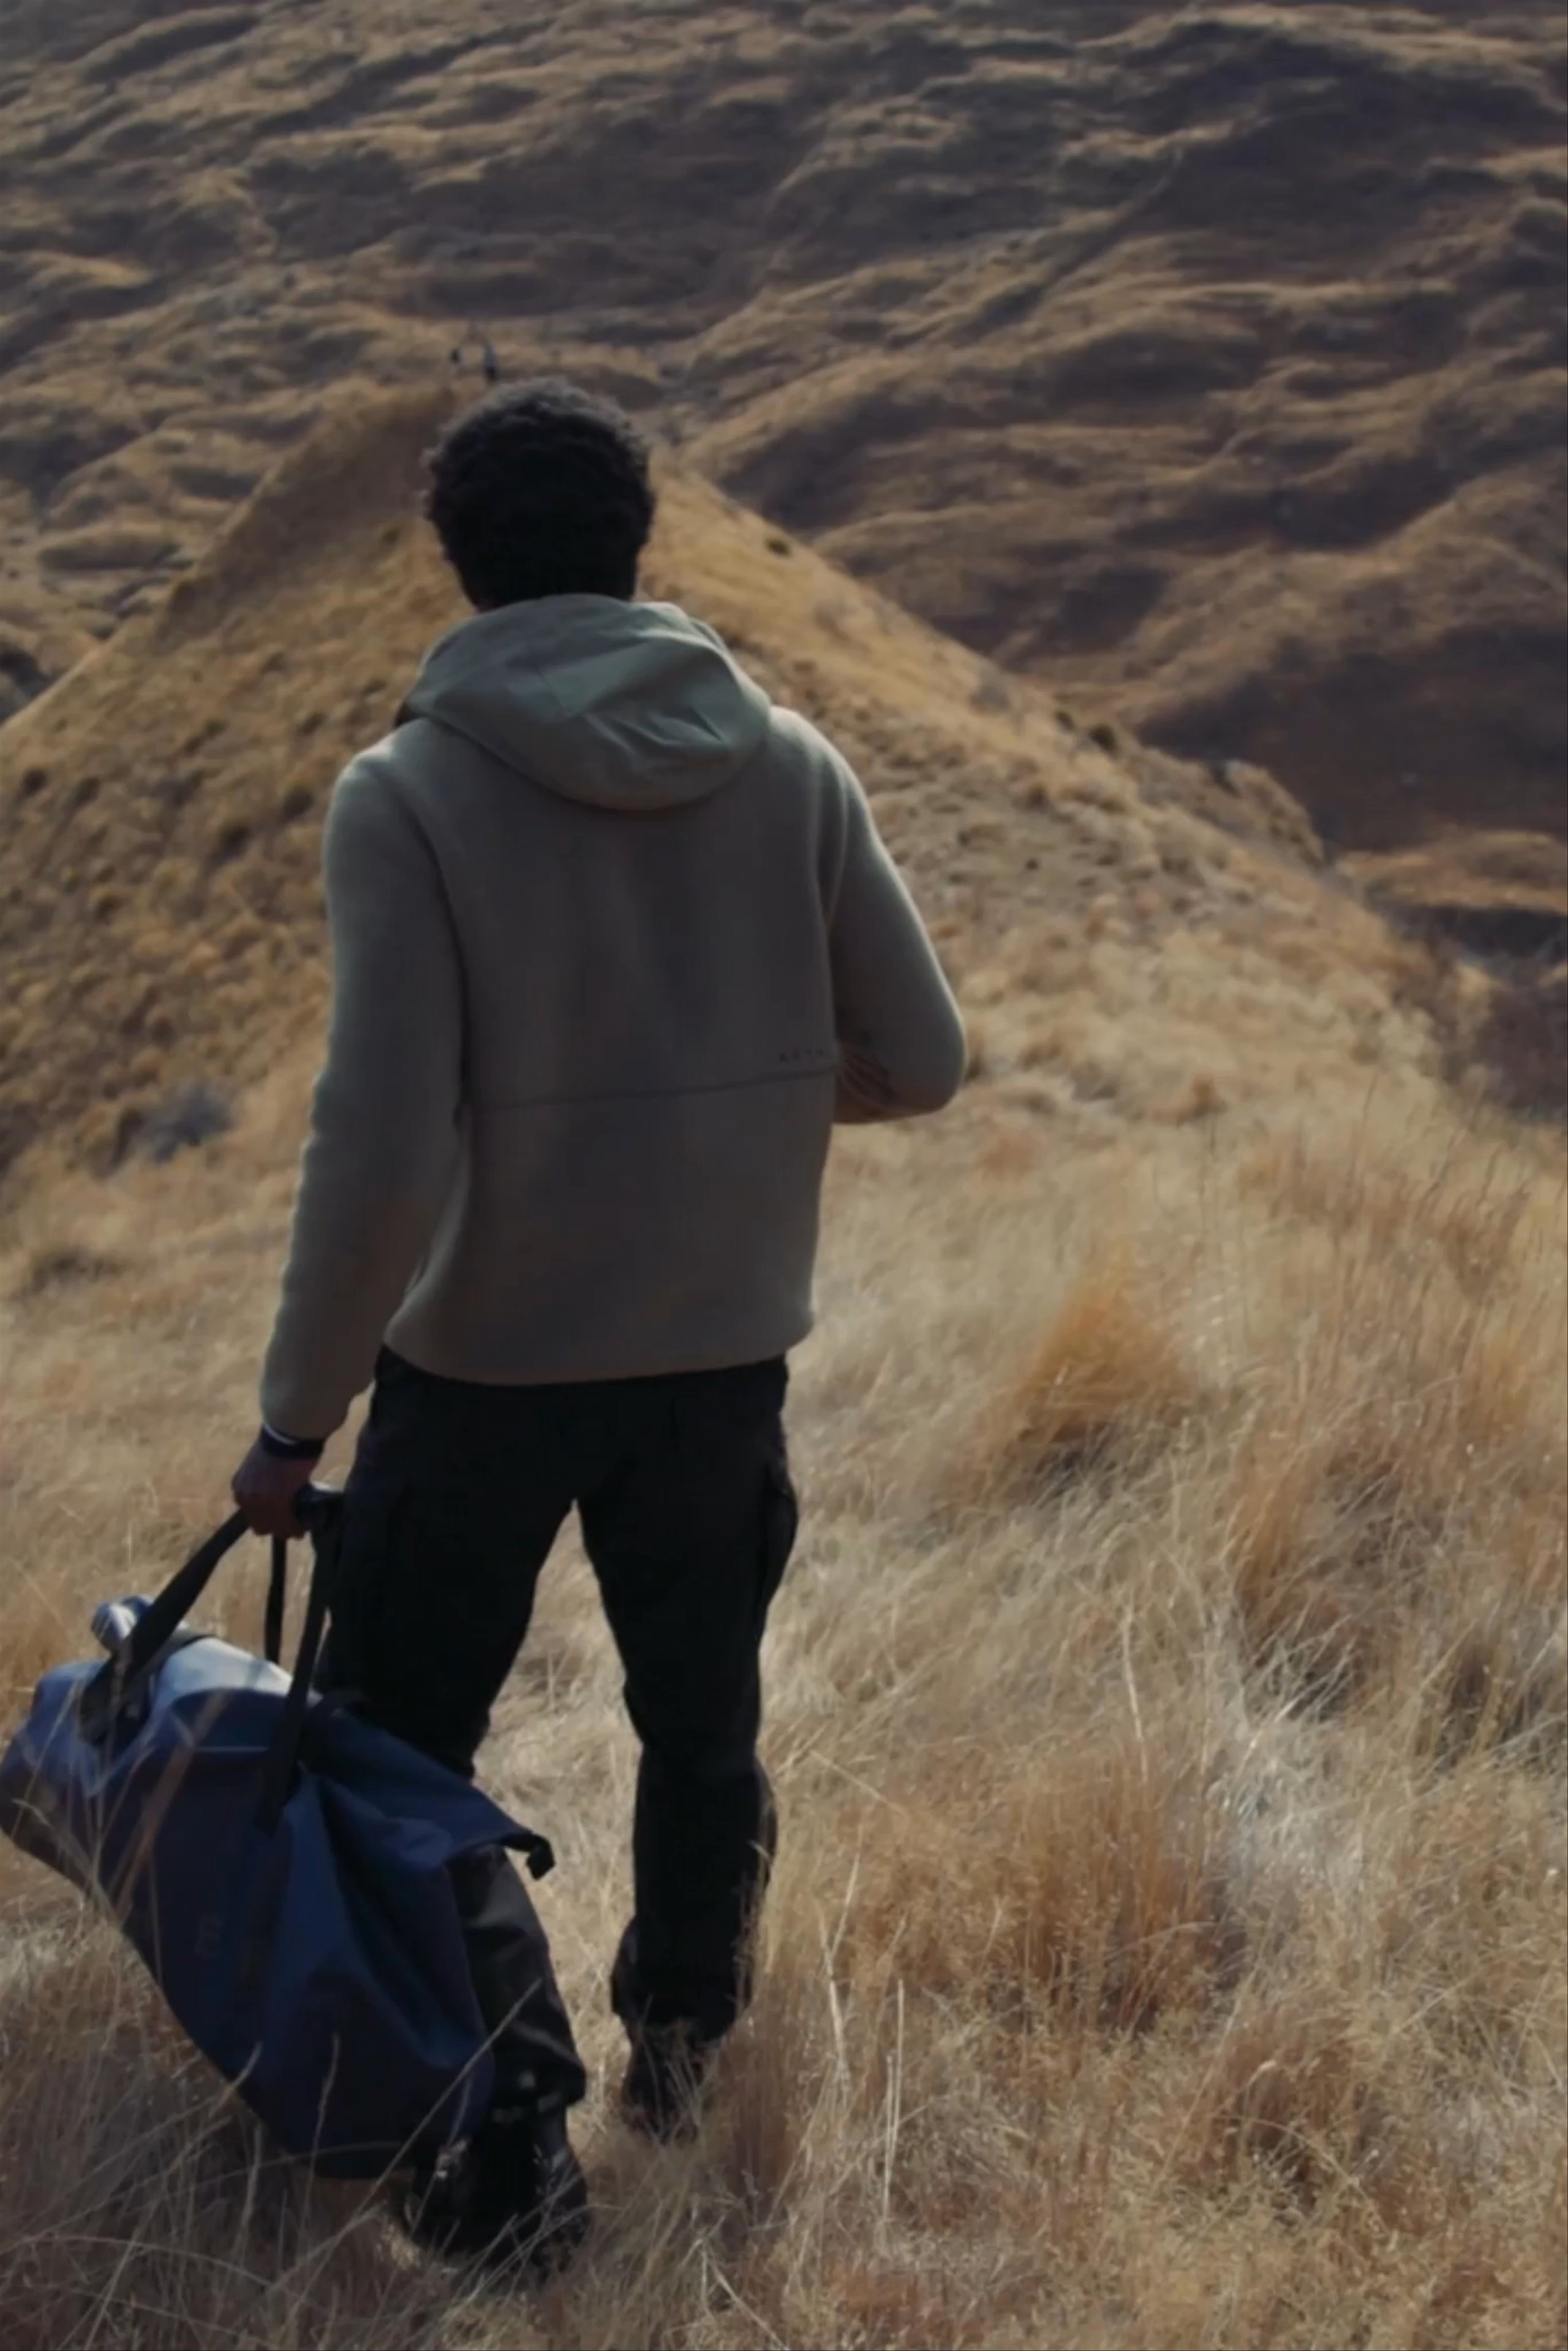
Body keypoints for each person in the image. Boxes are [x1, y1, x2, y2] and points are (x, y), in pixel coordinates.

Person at [230, 381, 967, 2269]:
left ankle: (495, 2151)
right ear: (642, 545)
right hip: (722, 1359)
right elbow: (925, 1058)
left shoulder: (408, 792)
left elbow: (381, 1144)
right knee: (701, 1729)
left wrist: (295, 1423)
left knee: (399, 1754)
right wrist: (726, 1102)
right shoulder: (791, 762)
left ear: (458, 562)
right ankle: (682, 2068)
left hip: (478, 1372)